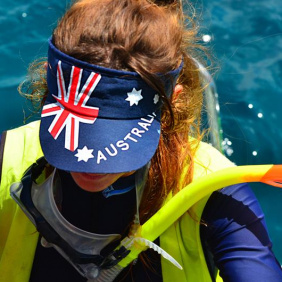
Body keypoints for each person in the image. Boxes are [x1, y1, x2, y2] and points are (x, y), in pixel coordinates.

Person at [0, 0, 281, 281]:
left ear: (173, 102)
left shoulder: (215, 192)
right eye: (81, 127)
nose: (91, 162)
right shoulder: (7, 158)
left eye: (113, 133)